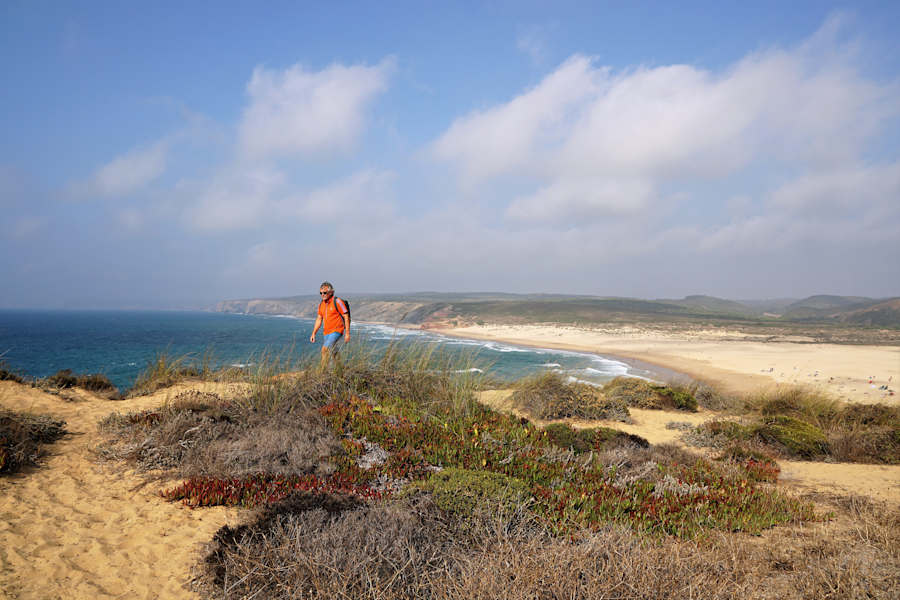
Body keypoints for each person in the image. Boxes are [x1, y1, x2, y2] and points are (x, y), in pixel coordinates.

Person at [309, 281, 350, 367]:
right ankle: (340, 369)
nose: (322, 295)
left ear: (331, 292)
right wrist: (314, 333)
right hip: (326, 332)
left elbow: (346, 316)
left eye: (324, 292)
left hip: (337, 330)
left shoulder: (337, 301)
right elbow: (319, 319)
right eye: (321, 293)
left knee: (325, 349)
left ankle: (322, 372)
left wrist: (347, 333)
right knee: (334, 352)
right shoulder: (321, 304)